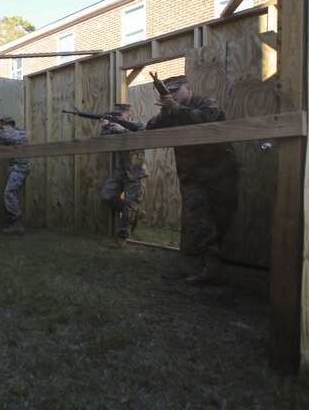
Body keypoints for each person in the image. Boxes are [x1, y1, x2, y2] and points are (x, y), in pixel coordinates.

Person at [146, 75, 239, 285]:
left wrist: (177, 109)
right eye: (168, 92)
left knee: (223, 216)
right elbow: (150, 129)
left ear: (188, 88)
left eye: (176, 90)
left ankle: (214, 263)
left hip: (220, 172)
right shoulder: (172, 111)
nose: (172, 94)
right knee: (199, 218)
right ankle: (210, 265)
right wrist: (165, 113)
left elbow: (208, 119)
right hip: (192, 177)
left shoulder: (206, 103)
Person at [99, 103, 147, 249]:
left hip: (136, 171)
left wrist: (115, 126)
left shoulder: (137, 125)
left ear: (128, 116)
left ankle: (121, 239)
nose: (117, 118)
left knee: (130, 205)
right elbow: (104, 137)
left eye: (120, 115)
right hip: (121, 170)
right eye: (116, 115)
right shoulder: (114, 128)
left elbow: (136, 130)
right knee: (107, 195)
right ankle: (136, 213)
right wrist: (105, 125)